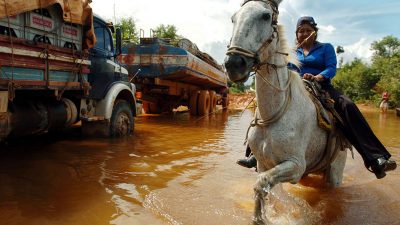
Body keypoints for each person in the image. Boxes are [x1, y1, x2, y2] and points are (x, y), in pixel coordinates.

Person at [237, 16, 397, 179]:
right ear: (296, 34)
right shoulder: (292, 52)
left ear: (315, 32)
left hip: (321, 86)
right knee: (266, 103)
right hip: (294, 87)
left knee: (347, 105)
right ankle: (254, 154)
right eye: (301, 31)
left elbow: (331, 68)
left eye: (308, 30)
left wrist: (318, 77)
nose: (304, 33)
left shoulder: (326, 48)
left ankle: (375, 157)